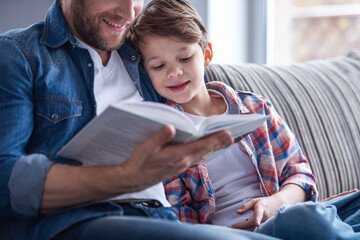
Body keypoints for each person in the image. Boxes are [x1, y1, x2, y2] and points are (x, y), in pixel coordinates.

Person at [0, 0, 284, 240]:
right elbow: (4, 178)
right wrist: (128, 177)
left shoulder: (142, 54)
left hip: (164, 216)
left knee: (314, 218)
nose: (129, 12)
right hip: (84, 220)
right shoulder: (19, 54)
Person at [127, 0, 360, 239]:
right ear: (146, 71)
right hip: (238, 233)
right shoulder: (165, 137)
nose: (174, 72)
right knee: (309, 218)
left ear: (206, 54)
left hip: (285, 213)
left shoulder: (254, 108)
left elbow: (300, 175)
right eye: (158, 65)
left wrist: (275, 202)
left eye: (185, 58)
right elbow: (180, 219)